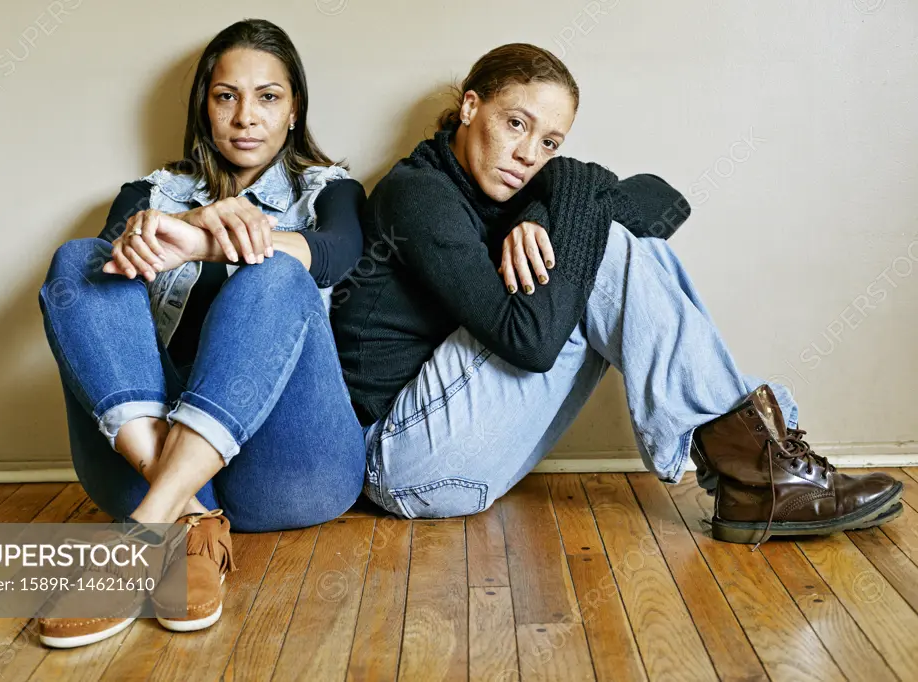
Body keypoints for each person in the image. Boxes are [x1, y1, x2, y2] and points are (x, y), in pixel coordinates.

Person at [331, 43, 903, 550]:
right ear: (471, 106)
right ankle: (753, 469)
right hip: (400, 458)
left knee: (611, 241)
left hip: (463, 457)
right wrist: (560, 192)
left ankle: (753, 474)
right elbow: (528, 343)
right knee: (599, 246)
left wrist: (537, 210)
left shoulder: (506, 186)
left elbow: (665, 202)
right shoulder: (418, 193)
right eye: (515, 124)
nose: (530, 155)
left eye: (551, 142)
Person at [36, 19, 366, 648]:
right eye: (226, 96)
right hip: (144, 451)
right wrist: (178, 221)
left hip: (291, 466)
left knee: (276, 274)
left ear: (294, 110)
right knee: (83, 259)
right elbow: (95, 300)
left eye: (268, 96)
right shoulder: (153, 194)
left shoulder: (331, 190)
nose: (246, 116)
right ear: (204, 107)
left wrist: (209, 244)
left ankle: (148, 529)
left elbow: (337, 253)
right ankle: (186, 519)